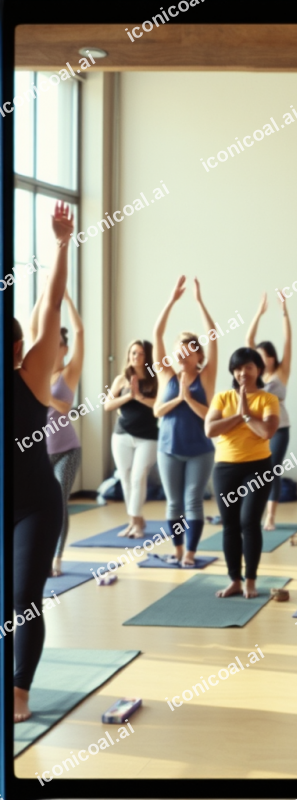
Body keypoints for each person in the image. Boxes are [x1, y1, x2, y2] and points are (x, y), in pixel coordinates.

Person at [13, 201, 73, 722]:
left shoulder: (30, 377)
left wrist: (60, 245)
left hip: (34, 502)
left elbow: (52, 305)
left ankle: (19, 692)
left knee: (23, 596)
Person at [153, 276, 218, 566]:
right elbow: (156, 334)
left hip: (200, 450)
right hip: (168, 448)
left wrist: (200, 302)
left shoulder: (205, 377)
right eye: (178, 346)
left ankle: (190, 553)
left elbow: (208, 415)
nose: (181, 350)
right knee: (174, 503)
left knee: (193, 501)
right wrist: (171, 300)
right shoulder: (166, 375)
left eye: (188, 347)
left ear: (198, 354)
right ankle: (177, 550)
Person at [205, 348, 279, 598]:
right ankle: (234, 579)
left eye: (248, 367)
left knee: (249, 522)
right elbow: (211, 429)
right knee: (230, 525)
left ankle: (250, 580)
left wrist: (246, 414)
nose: (242, 373)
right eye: (237, 368)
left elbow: (266, 432)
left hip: (258, 468)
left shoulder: (268, 400)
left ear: (258, 370)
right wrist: (239, 415)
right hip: (225, 469)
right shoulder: (222, 398)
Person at [30, 287, 84, 577]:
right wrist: (42, 296)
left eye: (56, 343)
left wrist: (67, 299)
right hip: (41, 450)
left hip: (67, 450)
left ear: (62, 348)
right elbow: (33, 327)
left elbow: (80, 333)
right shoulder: (37, 372)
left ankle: (57, 559)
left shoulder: (68, 373)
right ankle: (38, 554)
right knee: (40, 505)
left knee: (59, 503)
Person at [104, 340, 159, 538]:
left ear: (147, 356)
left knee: (138, 476)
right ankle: (134, 521)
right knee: (126, 478)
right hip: (122, 435)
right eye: (133, 353)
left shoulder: (155, 378)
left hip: (148, 438)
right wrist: (128, 396)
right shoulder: (121, 379)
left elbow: (159, 406)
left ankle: (136, 522)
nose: (136, 357)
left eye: (140, 353)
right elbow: (108, 405)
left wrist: (138, 397)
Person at [246, 292, 292, 530]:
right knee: (257, 470)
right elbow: (249, 338)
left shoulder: (280, 374)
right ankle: (255, 510)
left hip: (280, 428)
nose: (264, 360)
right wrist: (259, 313)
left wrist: (284, 311)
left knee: (273, 470)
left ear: (273, 358)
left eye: (267, 356)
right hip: (256, 426)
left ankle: (271, 516)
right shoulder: (254, 375)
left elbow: (287, 340)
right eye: (260, 357)